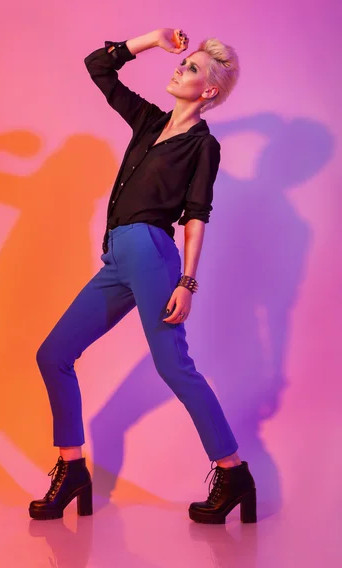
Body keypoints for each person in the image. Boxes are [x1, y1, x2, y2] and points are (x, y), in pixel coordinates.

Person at [29, 28, 257, 525]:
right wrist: (153, 40)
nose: (181, 69)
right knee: (54, 354)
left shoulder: (203, 145)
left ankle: (232, 470)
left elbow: (196, 215)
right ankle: (72, 469)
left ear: (210, 91)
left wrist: (188, 282)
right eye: (183, 63)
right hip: (117, 257)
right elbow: (98, 66)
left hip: (153, 254)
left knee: (174, 367)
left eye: (193, 69)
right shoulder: (149, 123)